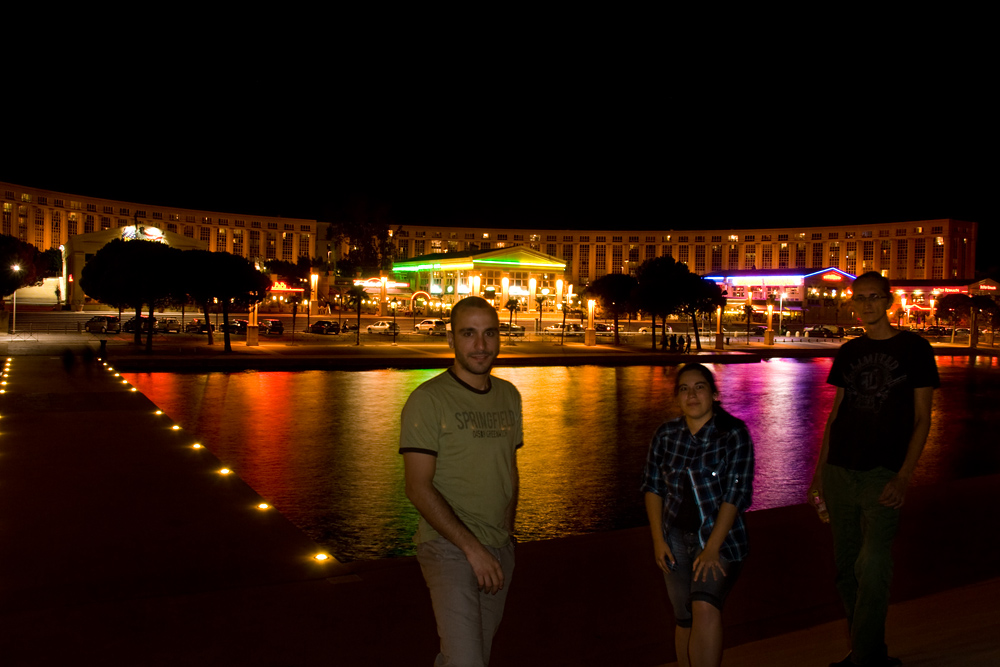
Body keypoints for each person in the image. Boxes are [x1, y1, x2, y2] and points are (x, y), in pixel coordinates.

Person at [808, 271, 939, 667]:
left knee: (874, 563)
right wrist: (818, 477)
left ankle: (863, 659)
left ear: (888, 300)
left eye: (873, 297)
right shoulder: (848, 351)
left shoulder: (916, 349)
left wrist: (903, 475)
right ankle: (870, 653)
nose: (865, 304)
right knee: (846, 570)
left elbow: (922, 420)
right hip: (839, 472)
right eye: (859, 298)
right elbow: (835, 417)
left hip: (883, 474)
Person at [399, 296, 523, 667]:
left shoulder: (509, 396)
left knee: (471, 656)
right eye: (469, 334)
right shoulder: (428, 400)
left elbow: (507, 469)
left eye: (489, 334)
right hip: (449, 549)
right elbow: (417, 487)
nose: (481, 345)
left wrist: (507, 536)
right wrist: (472, 549)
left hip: (499, 548)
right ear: (451, 340)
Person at [641, 363, 755, 667]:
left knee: (705, 605)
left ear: (714, 393)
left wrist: (712, 548)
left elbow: (736, 494)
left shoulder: (733, 434)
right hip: (675, 540)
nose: (692, 395)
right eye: (684, 389)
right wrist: (658, 540)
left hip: (723, 540)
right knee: (684, 618)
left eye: (700, 387)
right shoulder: (666, 435)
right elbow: (652, 488)